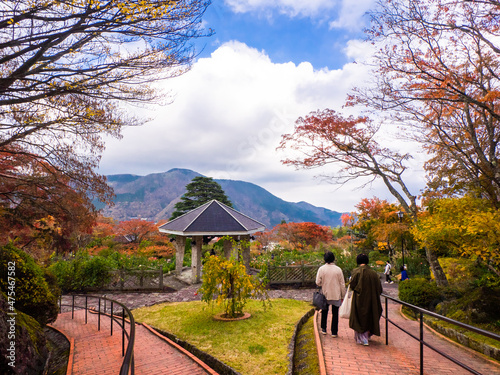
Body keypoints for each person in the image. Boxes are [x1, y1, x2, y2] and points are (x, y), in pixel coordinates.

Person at [349, 253, 383, 346]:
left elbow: (352, 285)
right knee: (370, 317)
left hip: (359, 300)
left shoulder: (357, 272)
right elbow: (379, 289)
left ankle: (361, 338)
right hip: (372, 300)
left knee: (359, 317)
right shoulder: (374, 273)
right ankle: (367, 336)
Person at [316, 251, 346, 337]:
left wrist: (324, 284)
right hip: (336, 294)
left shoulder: (321, 269)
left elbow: (318, 282)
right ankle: (334, 332)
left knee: (324, 312)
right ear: (333, 259)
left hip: (325, 294)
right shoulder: (338, 269)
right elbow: (342, 284)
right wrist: (342, 295)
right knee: (335, 313)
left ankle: (324, 329)